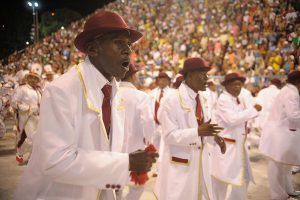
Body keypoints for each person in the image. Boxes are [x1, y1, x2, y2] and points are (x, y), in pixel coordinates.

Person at [14, 11, 158, 200]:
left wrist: (128, 159)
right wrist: (125, 162)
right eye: (118, 42)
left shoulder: (115, 93)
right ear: (92, 49)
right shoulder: (62, 90)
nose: (128, 50)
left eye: (129, 44)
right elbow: (55, 161)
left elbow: (104, 152)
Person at [154, 57, 226, 200]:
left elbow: (205, 125)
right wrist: (196, 132)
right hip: (180, 164)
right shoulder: (171, 100)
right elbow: (168, 136)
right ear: (190, 75)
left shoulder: (203, 99)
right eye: (203, 74)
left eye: (207, 74)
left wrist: (214, 136)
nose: (207, 78)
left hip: (201, 161)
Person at [211, 72, 262, 200]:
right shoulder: (223, 99)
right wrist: (253, 110)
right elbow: (232, 119)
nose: (238, 87)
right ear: (226, 86)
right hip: (227, 147)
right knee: (220, 181)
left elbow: (240, 119)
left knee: (242, 178)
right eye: (234, 84)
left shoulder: (236, 99)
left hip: (238, 145)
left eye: (240, 84)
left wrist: (246, 126)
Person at [116, 63, 155, 200]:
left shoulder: (112, 93)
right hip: (136, 148)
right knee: (137, 186)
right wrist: (149, 141)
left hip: (113, 148)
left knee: (115, 185)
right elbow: (149, 121)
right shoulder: (141, 96)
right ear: (132, 76)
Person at [259, 70, 300, 200]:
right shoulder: (291, 93)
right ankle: (278, 196)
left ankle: (286, 191)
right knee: (276, 167)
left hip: (279, 134)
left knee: (283, 166)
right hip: (278, 135)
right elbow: (294, 116)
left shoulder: (289, 91)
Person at [11, 71, 42, 165]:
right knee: (31, 138)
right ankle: (20, 152)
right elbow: (14, 102)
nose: (33, 80)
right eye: (31, 77)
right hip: (27, 117)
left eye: (35, 78)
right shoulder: (22, 89)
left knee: (38, 139)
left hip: (38, 116)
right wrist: (27, 108)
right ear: (27, 78)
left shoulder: (38, 90)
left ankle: (31, 158)